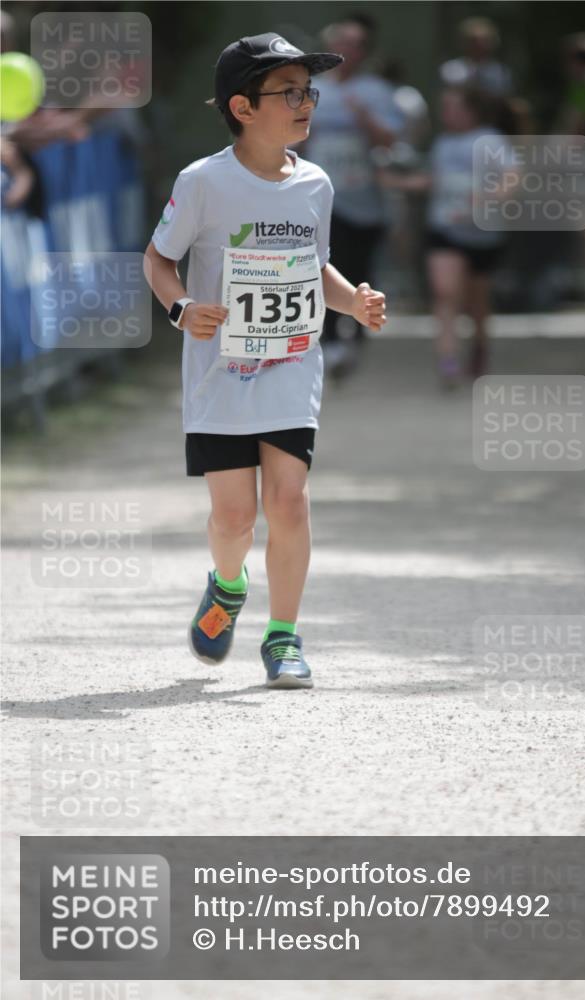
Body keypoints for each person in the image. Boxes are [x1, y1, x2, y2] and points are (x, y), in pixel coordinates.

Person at [143, 33, 386, 689]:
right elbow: (158, 259)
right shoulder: (203, 181)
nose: (305, 103)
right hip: (221, 373)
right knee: (233, 518)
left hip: (290, 364)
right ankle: (226, 585)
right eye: (289, 92)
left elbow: (316, 270)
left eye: (309, 91)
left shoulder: (316, 182)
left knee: (290, 504)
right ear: (243, 107)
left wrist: (352, 304)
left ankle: (283, 637)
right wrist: (180, 308)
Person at [381, 85, 510, 384]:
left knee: (476, 301)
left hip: (482, 234)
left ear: (471, 110)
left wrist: (492, 197)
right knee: (445, 292)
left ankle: (479, 345)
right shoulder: (442, 143)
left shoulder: (490, 139)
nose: (446, 113)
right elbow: (435, 181)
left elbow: (513, 175)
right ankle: (448, 360)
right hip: (445, 229)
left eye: (453, 106)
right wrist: (399, 183)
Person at [304, 17, 403, 376]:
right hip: (323, 197)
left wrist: (364, 118)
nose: (349, 50)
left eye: (357, 44)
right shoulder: (311, 86)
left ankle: (356, 337)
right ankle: (330, 338)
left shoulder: (376, 91)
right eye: (343, 41)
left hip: (366, 198)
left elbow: (391, 141)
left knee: (360, 269)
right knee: (324, 264)